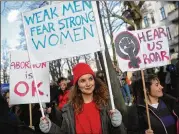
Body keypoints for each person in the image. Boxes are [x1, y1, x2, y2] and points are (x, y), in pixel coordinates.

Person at [39, 63, 125, 134]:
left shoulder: (106, 104)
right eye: (83, 81)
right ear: (78, 86)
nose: (88, 84)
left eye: (90, 79)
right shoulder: (69, 110)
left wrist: (118, 125)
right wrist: (50, 128)